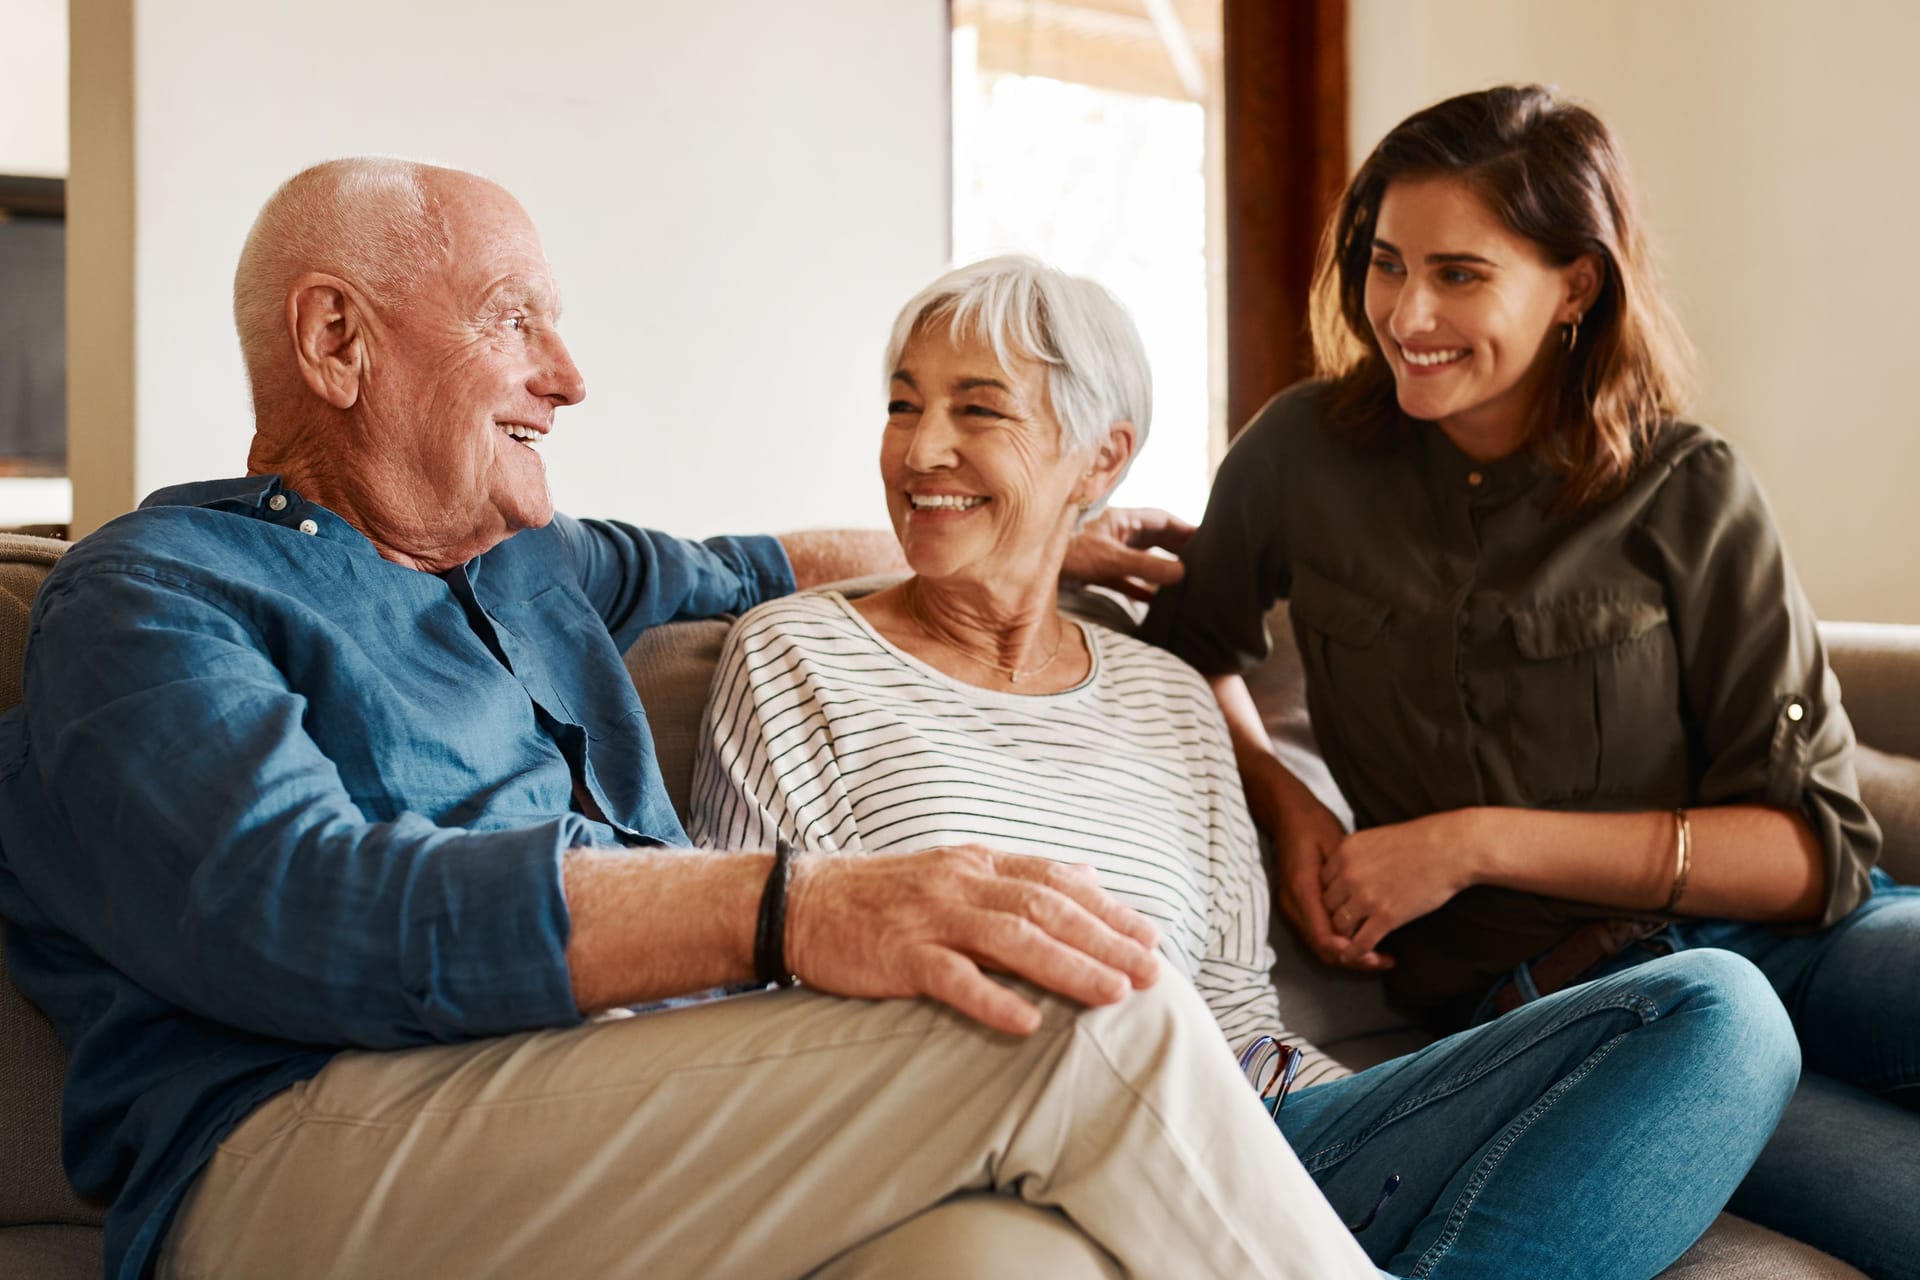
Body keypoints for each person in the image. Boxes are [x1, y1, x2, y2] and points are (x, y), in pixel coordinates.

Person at [0, 159, 1384, 1280]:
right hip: (292, 1154)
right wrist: (786, 907)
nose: (569, 374)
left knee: (1003, 1256)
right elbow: (291, 903)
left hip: (608, 1111)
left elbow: (767, 559)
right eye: (513, 318)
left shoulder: (537, 569)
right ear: (336, 337)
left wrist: (1041, 533)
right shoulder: (155, 594)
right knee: (1076, 1005)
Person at [690, 253, 1803, 1280]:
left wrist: (1407, 1122)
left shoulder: (1170, 697)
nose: (920, 449)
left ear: (1105, 455)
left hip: (1249, 1137)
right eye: (901, 404)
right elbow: (749, 1000)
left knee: (1722, 1015)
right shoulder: (798, 654)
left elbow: (1235, 1015)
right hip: (996, 1140)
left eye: (977, 409)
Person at [1140, 84, 1920, 1279]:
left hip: (1814, 941)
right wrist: (1282, 796)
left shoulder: (1689, 486)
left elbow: (1814, 853)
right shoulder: (1299, 455)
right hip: (1585, 1011)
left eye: (1459, 273)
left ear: (1576, 285)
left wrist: (1469, 842)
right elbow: (1188, 641)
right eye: (1387, 263)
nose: (1406, 312)